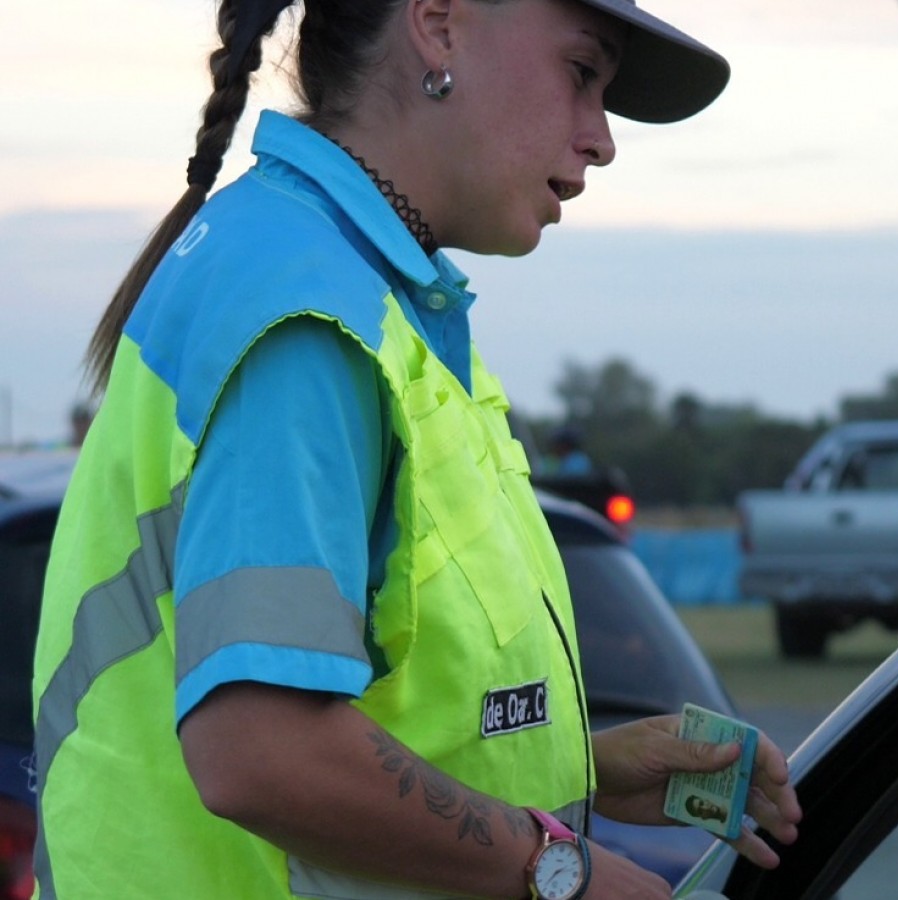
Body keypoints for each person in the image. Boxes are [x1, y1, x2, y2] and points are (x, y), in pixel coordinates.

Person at [31, 1, 799, 898]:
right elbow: (261, 753)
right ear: (439, 25)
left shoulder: (354, 291)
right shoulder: (308, 316)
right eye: (582, 74)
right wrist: (560, 873)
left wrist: (575, 772)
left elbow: (372, 703)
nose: (600, 138)